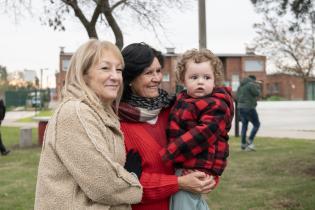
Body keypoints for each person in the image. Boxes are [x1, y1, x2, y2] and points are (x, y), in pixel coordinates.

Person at [35, 39, 143, 210]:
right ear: (83, 74)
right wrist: (133, 178)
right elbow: (104, 185)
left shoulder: (102, 113)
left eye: (119, 69)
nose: (115, 77)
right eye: (105, 68)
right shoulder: (75, 112)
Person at [118, 43, 217, 210]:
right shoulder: (118, 124)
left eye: (158, 71)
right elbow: (122, 186)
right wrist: (179, 183)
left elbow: (209, 148)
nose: (157, 78)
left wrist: (207, 177)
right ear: (130, 79)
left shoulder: (174, 109)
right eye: (148, 73)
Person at [159, 49, 234, 210]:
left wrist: (171, 152)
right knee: (191, 202)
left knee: (182, 202)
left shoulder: (216, 104)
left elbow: (203, 133)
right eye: (194, 77)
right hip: (187, 162)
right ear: (183, 80)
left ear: (215, 80)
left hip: (200, 164)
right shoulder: (184, 99)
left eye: (207, 77)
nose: (201, 82)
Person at [236, 75, 261, 151]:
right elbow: (257, 93)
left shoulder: (241, 85)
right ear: (253, 79)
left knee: (244, 125)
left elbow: (237, 96)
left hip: (240, 107)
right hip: (249, 107)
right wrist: (257, 86)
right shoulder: (251, 84)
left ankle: (243, 144)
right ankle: (249, 141)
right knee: (257, 124)